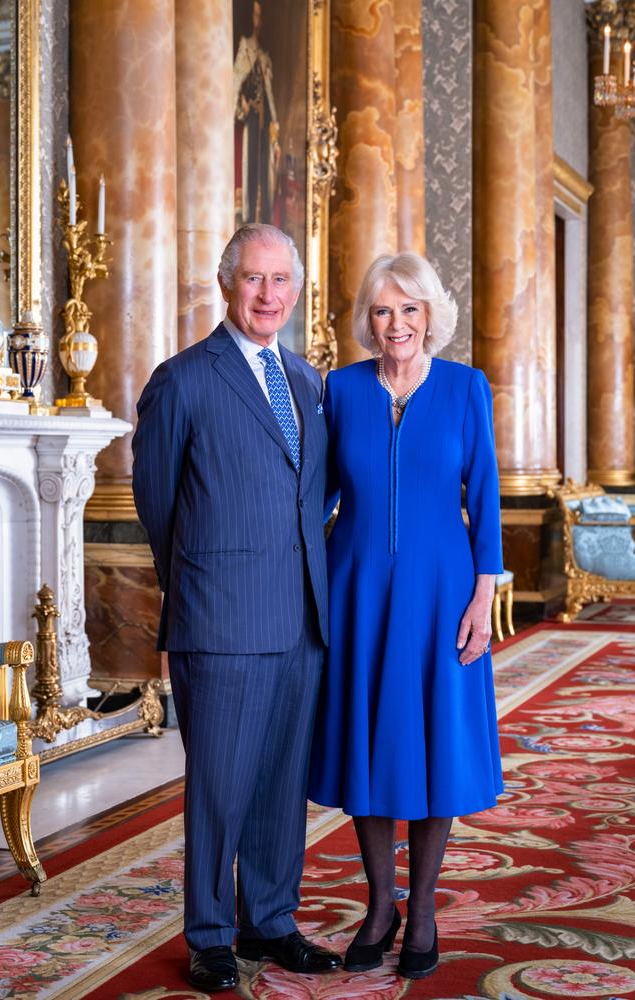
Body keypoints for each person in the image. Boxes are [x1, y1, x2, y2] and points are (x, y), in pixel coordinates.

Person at [132, 223, 341, 992]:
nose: (267, 295)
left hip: (302, 620)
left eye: (280, 280)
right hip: (219, 619)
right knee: (218, 786)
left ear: (294, 288)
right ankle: (212, 935)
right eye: (253, 279)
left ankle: (272, 920)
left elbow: (313, 493)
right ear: (227, 284)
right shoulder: (183, 379)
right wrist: (202, 585)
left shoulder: (308, 381)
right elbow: (158, 506)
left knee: (283, 783)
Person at [308, 252, 504, 981]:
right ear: (370, 319)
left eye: (411, 309)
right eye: (385, 311)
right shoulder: (342, 389)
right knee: (368, 740)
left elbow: (482, 498)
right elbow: (317, 498)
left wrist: (483, 598)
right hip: (355, 588)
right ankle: (379, 904)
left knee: (435, 743)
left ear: (430, 316)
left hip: (443, 592)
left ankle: (421, 910)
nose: (398, 324)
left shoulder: (464, 388)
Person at [234, 1, 280, 223]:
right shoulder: (245, 48)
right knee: (250, 172)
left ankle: (263, 222)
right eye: (255, 15)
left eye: (260, 16)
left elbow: (269, 96)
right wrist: (241, 104)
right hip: (250, 121)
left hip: (264, 123)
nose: (258, 21)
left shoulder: (264, 55)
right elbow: (235, 84)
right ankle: (249, 219)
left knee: (265, 174)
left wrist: (275, 133)